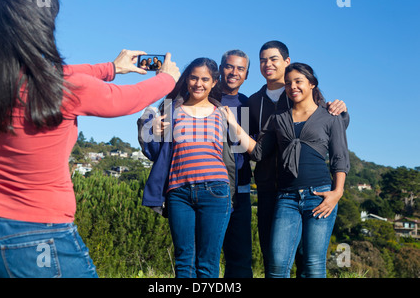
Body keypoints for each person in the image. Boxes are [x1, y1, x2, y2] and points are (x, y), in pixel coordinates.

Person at [0, 0, 180, 278]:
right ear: (37, 24)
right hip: (39, 237)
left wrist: (110, 68)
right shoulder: (68, 89)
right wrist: (167, 79)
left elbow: (51, 75)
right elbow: (127, 99)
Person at [223, 62, 350, 278]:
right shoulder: (279, 118)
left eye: (298, 81)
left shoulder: (330, 116)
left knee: (313, 264)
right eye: (289, 83)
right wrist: (234, 125)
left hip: (320, 196)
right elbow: (259, 152)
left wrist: (337, 193)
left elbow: (340, 157)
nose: (293, 87)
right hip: (286, 198)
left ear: (312, 84)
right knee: (277, 265)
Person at [138, 58, 236, 278]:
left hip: (216, 191)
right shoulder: (171, 110)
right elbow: (153, 150)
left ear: (214, 82)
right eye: (193, 77)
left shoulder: (222, 113)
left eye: (204, 79)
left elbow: (236, 156)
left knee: (207, 263)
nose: (198, 83)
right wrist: (152, 128)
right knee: (184, 262)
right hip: (179, 193)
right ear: (187, 79)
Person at [219, 50, 253, 278]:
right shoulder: (204, 97)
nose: (234, 72)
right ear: (221, 69)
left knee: (240, 261)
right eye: (230, 66)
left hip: (240, 191)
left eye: (240, 68)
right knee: (201, 256)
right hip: (208, 187)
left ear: (247, 75)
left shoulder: (249, 104)